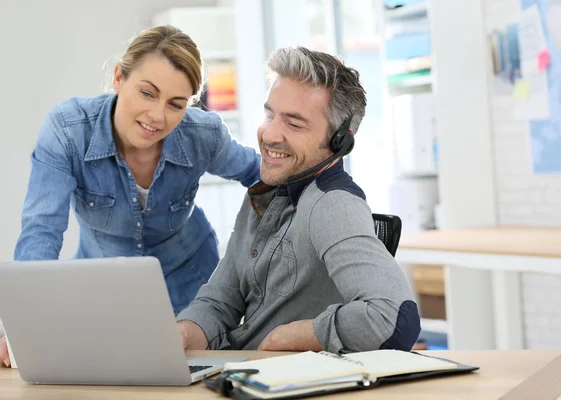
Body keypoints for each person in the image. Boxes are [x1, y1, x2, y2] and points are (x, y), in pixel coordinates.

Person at [175, 46, 421, 354]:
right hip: (236, 371)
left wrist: (295, 335)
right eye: (269, 115)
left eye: (294, 123)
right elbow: (221, 300)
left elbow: (395, 319)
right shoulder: (264, 194)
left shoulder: (333, 205)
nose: (269, 134)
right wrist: (185, 332)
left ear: (339, 141)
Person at [14, 27, 259, 316]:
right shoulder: (68, 131)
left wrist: (254, 256)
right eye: (147, 93)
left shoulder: (203, 136)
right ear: (119, 77)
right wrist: (25, 321)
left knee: (197, 363)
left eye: (175, 104)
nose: (157, 116)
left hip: (192, 284)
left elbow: (264, 176)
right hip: (102, 288)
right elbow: (42, 230)